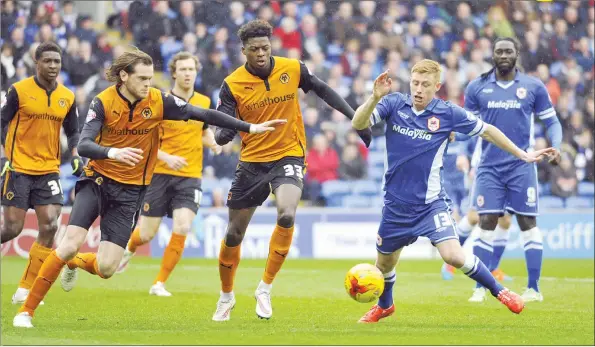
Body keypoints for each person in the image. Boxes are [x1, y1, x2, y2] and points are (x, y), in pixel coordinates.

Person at [13, 48, 285, 328]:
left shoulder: (159, 100)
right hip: (97, 181)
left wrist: (249, 128)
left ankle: (75, 263)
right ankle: (26, 311)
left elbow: (203, 113)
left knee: (106, 269)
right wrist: (112, 153)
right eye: (142, 78)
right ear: (123, 76)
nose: (148, 84)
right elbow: (83, 144)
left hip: (131, 191)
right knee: (68, 244)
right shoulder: (103, 101)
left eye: (150, 78)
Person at [351, 59, 556, 323]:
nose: (419, 89)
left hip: (430, 205)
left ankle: (500, 291)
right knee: (384, 265)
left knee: (453, 254)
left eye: (425, 85)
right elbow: (358, 123)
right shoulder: (393, 104)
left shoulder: (447, 113)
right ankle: (385, 306)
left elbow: (489, 131)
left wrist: (522, 154)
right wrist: (373, 98)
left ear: (437, 86)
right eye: (415, 83)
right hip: (395, 205)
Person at [211, 20, 371, 321]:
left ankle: (265, 288)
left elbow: (324, 91)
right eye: (254, 49)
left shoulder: (292, 68)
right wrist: (219, 136)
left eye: (265, 48)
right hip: (252, 162)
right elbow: (226, 128)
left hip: (289, 155)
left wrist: (355, 118)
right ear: (244, 51)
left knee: (286, 213)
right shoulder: (232, 84)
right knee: (234, 233)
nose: (261, 53)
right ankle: (226, 296)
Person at [115, 51, 223, 297]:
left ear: (196, 73)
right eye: (183, 69)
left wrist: (214, 143)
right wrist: (166, 157)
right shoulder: (159, 102)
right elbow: (144, 140)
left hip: (190, 175)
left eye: (191, 69)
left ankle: (159, 283)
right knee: (146, 234)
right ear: (174, 72)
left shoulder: (204, 102)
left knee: (183, 226)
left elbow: (203, 131)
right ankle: (129, 250)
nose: (187, 74)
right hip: (160, 174)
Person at [464, 37, 562, 303]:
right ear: (492, 55)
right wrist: (459, 149)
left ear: (516, 54)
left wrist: (556, 146)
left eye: (508, 51)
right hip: (489, 167)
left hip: (522, 165)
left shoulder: (532, 86)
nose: (504, 55)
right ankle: (479, 288)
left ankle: (533, 289)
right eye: (499, 51)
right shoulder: (477, 87)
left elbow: (552, 122)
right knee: (486, 222)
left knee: (527, 223)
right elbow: (465, 127)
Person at [1, 41, 82, 306]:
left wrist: (76, 154)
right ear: (37, 63)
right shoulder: (19, 91)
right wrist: (6, 153)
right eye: (47, 61)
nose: (53, 66)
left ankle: (25, 289)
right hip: (19, 169)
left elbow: (72, 131)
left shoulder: (67, 97)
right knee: (12, 229)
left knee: (50, 224)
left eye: (56, 62)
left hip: (48, 170)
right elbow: (1, 122)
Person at [441, 136, 514, 283]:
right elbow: (471, 132)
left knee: (505, 220)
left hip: (507, 169)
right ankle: (450, 261)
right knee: (474, 217)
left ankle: (493, 268)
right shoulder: (486, 115)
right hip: (485, 170)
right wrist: (462, 154)